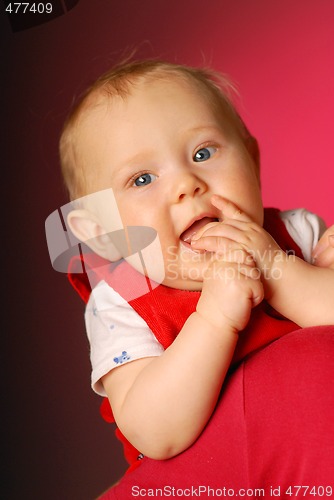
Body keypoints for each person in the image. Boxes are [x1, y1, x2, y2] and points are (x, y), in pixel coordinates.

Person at [59, 60, 334, 470]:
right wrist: (214, 319)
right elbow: (156, 433)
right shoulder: (119, 303)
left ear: (253, 162)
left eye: (203, 153)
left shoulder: (298, 235)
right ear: (102, 231)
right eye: (142, 179)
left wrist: (281, 270)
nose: (187, 183)